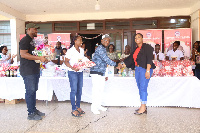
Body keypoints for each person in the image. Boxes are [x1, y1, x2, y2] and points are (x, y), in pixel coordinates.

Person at [118, 33, 155, 115]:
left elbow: (149, 59)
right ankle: (143, 105)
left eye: (139, 37)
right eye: (135, 38)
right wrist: (122, 65)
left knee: (143, 87)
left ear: (142, 38)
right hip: (138, 69)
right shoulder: (136, 49)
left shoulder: (147, 47)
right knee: (140, 88)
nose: (137, 39)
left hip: (145, 69)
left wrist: (148, 71)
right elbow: (130, 59)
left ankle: (143, 107)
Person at [19, 23, 48, 120]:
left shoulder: (33, 41)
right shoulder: (24, 40)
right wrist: (39, 57)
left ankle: (34, 110)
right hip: (28, 70)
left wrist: (43, 57)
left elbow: (35, 54)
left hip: (35, 69)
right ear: (28, 29)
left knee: (34, 90)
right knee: (30, 91)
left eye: (36, 29)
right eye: (34, 29)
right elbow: (23, 54)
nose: (36, 31)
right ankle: (30, 113)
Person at [90, 34, 116, 114]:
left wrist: (105, 74)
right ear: (101, 41)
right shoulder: (100, 48)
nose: (107, 42)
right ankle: (93, 107)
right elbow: (106, 60)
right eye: (105, 40)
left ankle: (98, 105)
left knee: (100, 90)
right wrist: (116, 64)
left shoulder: (104, 49)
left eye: (108, 40)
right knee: (96, 90)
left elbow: (104, 63)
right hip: (96, 72)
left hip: (101, 72)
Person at [64, 36, 85, 117]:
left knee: (79, 90)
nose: (81, 42)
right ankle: (73, 109)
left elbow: (81, 60)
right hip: (73, 72)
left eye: (81, 40)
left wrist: (86, 64)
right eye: (80, 40)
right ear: (75, 41)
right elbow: (66, 61)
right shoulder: (70, 50)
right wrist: (73, 68)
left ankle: (78, 107)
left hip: (80, 72)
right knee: (74, 90)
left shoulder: (82, 50)